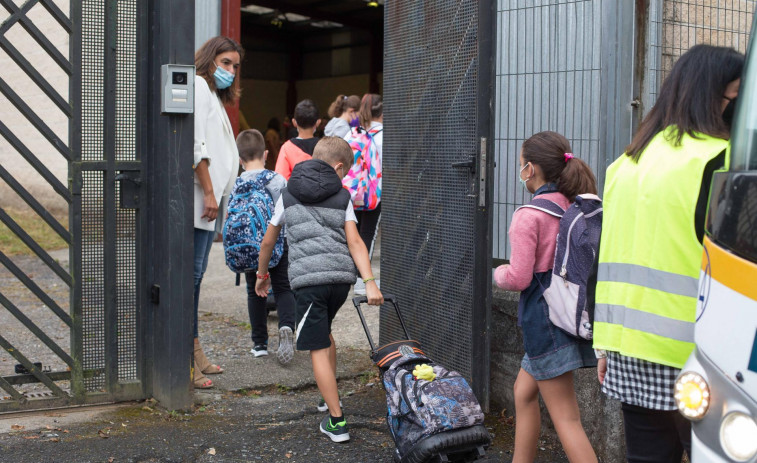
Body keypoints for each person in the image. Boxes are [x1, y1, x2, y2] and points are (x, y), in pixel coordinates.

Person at [593, 44, 744, 463]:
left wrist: (604, 345)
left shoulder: (626, 163)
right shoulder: (721, 160)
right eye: (738, 96)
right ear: (715, 97)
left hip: (629, 351)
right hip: (701, 358)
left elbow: (604, 261)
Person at [255, 136, 384, 443]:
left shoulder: (287, 194)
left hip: (309, 281)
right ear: (338, 167)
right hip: (340, 280)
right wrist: (369, 282)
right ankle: (330, 399)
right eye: (346, 171)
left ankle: (337, 422)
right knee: (324, 333)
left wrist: (262, 274)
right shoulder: (342, 195)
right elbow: (355, 241)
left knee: (316, 347)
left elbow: (268, 240)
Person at [493, 131, 599, 463]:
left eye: (521, 163)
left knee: (566, 419)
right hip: (570, 313)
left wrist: (497, 274)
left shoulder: (529, 215)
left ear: (531, 169)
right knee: (523, 394)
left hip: (544, 320)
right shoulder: (573, 207)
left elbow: (519, 276)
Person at [191, 36, 244, 389]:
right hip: (199, 198)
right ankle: (185, 360)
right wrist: (210, 192)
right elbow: (197, 145)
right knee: (190, 280)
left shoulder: (214, 96)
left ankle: (194, 351)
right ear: (210, 60)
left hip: (209, 202)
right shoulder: (197, 86)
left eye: (235, 66)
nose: (230, 71)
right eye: (225, 62)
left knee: (195, 279)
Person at [235, 129, 296, 364]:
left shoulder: (238, 182)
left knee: (255, 291)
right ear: (266, 154)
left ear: (240, 159)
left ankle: (259, 344)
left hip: (250, 247)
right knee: (283, 287)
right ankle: (287, 327)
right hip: (278, 242)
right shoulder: (277, 179)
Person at [344, 94, 384, 295]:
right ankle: (362, 279)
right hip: (373, 195)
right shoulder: (385, 136)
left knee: (354, 233)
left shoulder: (354, 133)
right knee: (369, 233)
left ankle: (351, 273)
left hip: (353, 192)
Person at [275, 100, 320, 180]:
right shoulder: (325, 146)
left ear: (294, 122)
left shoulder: (287, 148)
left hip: (295, 191)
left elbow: (281, 179)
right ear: (318, 122)